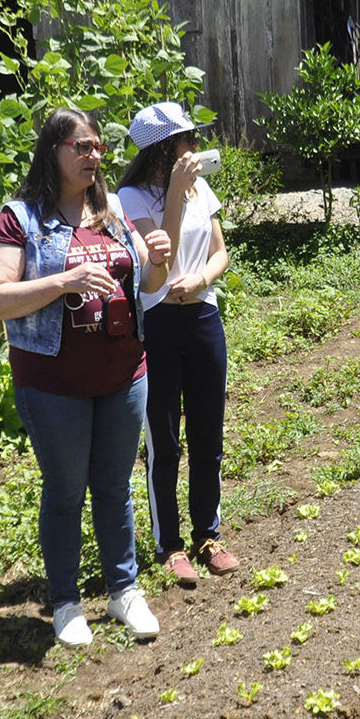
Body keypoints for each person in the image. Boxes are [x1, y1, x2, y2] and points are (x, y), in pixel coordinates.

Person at [0, 108, 173, 645]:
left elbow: (150, 285)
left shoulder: (111, 212)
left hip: (124, 372)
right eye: (80, 147)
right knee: (65, 492)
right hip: (53, 382)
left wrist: (158, 258)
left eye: (97, 147)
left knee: (114, 486)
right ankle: (66, 603)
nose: (92, 156)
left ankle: (124, 592)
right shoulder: (20, 219)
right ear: (53, 152)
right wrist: (63, 281)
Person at [116, 102, 238, 588]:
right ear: (165, 150)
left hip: (204, 317)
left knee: (208, 436)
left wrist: (203, 278)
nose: (195, 149)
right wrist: (172, 195)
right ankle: (170, 545)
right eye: (187, 141)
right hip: (161, 323)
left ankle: (208, 534)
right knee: (164, 439)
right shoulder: (131, 197)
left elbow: (220, 251)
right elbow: (155, 264)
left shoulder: (201, 189)